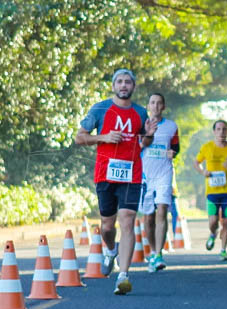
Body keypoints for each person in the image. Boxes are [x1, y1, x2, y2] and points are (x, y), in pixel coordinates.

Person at [75, 69, 156, 295]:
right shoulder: (100, 109)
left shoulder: (140, 113)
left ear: (133, 87)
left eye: (127, 82)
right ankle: (110, 250)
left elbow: (146, 143)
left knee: (128, 220)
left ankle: (123, 275)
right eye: (119, 82)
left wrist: (149, 134)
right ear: (113, 86)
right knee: (108, 226)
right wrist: (103, 137)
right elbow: (79, 137)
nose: (123, 85)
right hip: (105, 173)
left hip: (132, 174)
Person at [139, 93, 179, 273]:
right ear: (148, 106)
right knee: (148, 217)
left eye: (159, 103)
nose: (155, 106)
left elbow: (176, 147)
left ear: (163, 106)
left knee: (162, 209)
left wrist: (173, 153)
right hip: (146, 175)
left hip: (164, 173)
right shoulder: (142, 124)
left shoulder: (171, 126)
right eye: (152, 103)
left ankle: (159, 254)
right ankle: (153, 251)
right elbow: (137, 146)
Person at [193, 119, 227, 261]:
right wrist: (203, 172)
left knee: (226, 221)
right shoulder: (207, 147)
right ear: (214, 131)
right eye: (218, 129)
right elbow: (196, 162)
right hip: (212, 192)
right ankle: (213, 233)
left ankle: (223, 250)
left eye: (224, 129)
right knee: (213, 221)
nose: (221, 132)